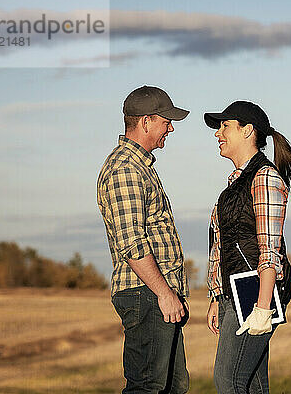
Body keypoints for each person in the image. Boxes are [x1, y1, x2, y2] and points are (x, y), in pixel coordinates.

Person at [204, 101, 291, 394]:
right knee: (253, 384)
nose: (217, 133)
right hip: (233, 294)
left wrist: (262, 308)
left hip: (254, 293)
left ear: (248, 131)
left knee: (228, 381)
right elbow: (221, 247)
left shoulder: (265, 178)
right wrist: (215, 296)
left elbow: (269, 249)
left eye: (225, 126)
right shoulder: (232, 188)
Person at [97, 86, 190, 394]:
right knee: (147, 387)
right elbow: (132, 243)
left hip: (155, 293)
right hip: (147, 293)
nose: (171, 128)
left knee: (173, 387)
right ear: (146, 122)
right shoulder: (125, 169)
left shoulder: (139, 167)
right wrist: (164, 293)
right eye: (167, 121)